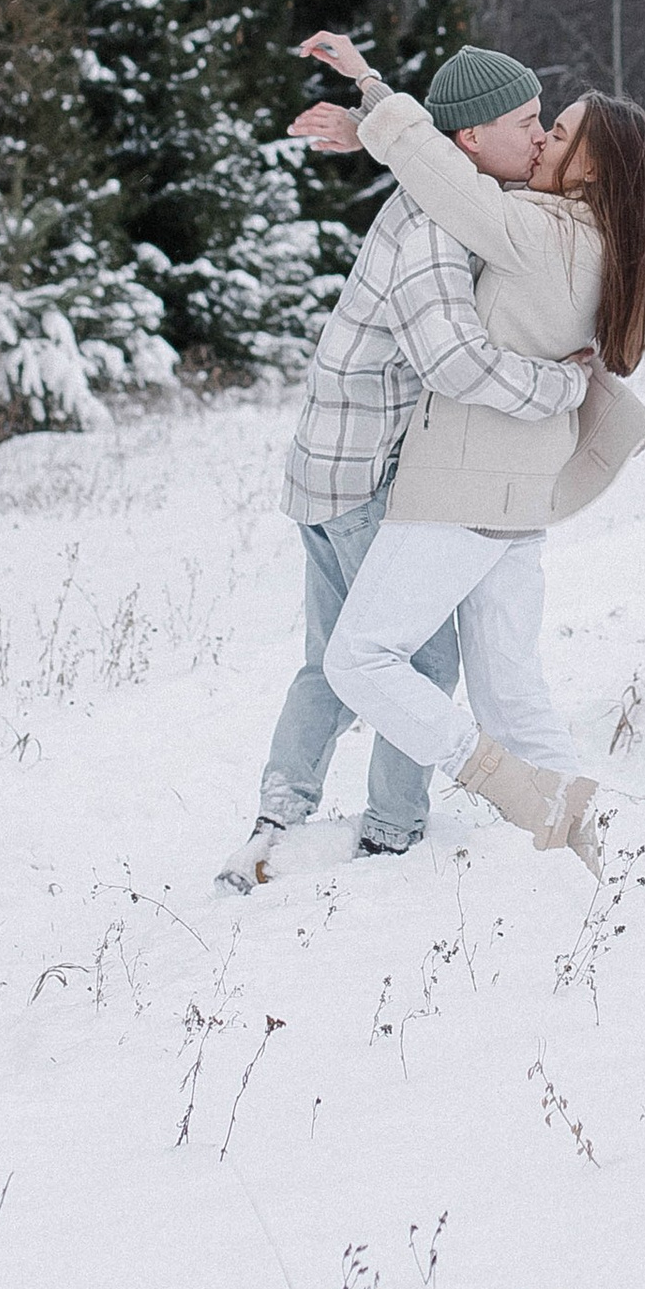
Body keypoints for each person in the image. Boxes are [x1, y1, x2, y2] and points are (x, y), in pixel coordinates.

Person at [290, 29, 645, 879]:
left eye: (558, 133)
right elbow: (450, 170)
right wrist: (372, 125)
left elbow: (447, 183)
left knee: (357, 660)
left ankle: (510, 789)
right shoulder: (595, 242)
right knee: (510, 690)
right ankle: (590, 864)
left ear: (592, 170)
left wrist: (371, 93)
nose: (541, 139)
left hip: (463, 489)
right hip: (518, 497)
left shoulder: (539, 231)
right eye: (539, 123)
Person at [216, 45, 588, 892]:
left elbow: (427, 148)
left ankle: (281, 810)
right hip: (357, 476)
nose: (539, 141)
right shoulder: (432, 227)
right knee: (411, 661)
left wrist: (368, 119)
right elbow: (455, 361)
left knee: (331, 657)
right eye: (527, 125)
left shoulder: (450, 191)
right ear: (470, 139)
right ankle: (393, 832)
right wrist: (563, 385)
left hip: (325, 468)